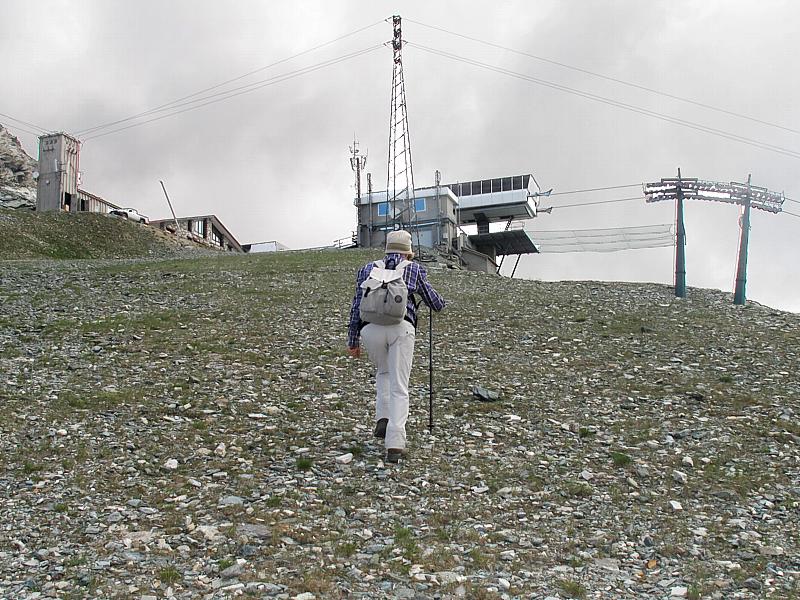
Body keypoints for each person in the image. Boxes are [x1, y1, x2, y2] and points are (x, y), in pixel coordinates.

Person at [347, 230, 446, 463]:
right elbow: (435, 302)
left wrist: (353, 340)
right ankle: (395, 443)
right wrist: (441, 303)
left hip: (370, 329)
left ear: (387, 249)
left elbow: (356, 304)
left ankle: (382, 418)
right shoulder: (414, 269)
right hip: (401, 328)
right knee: (400, 386)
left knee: (384, 372)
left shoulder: (367, 269)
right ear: (408, 252)